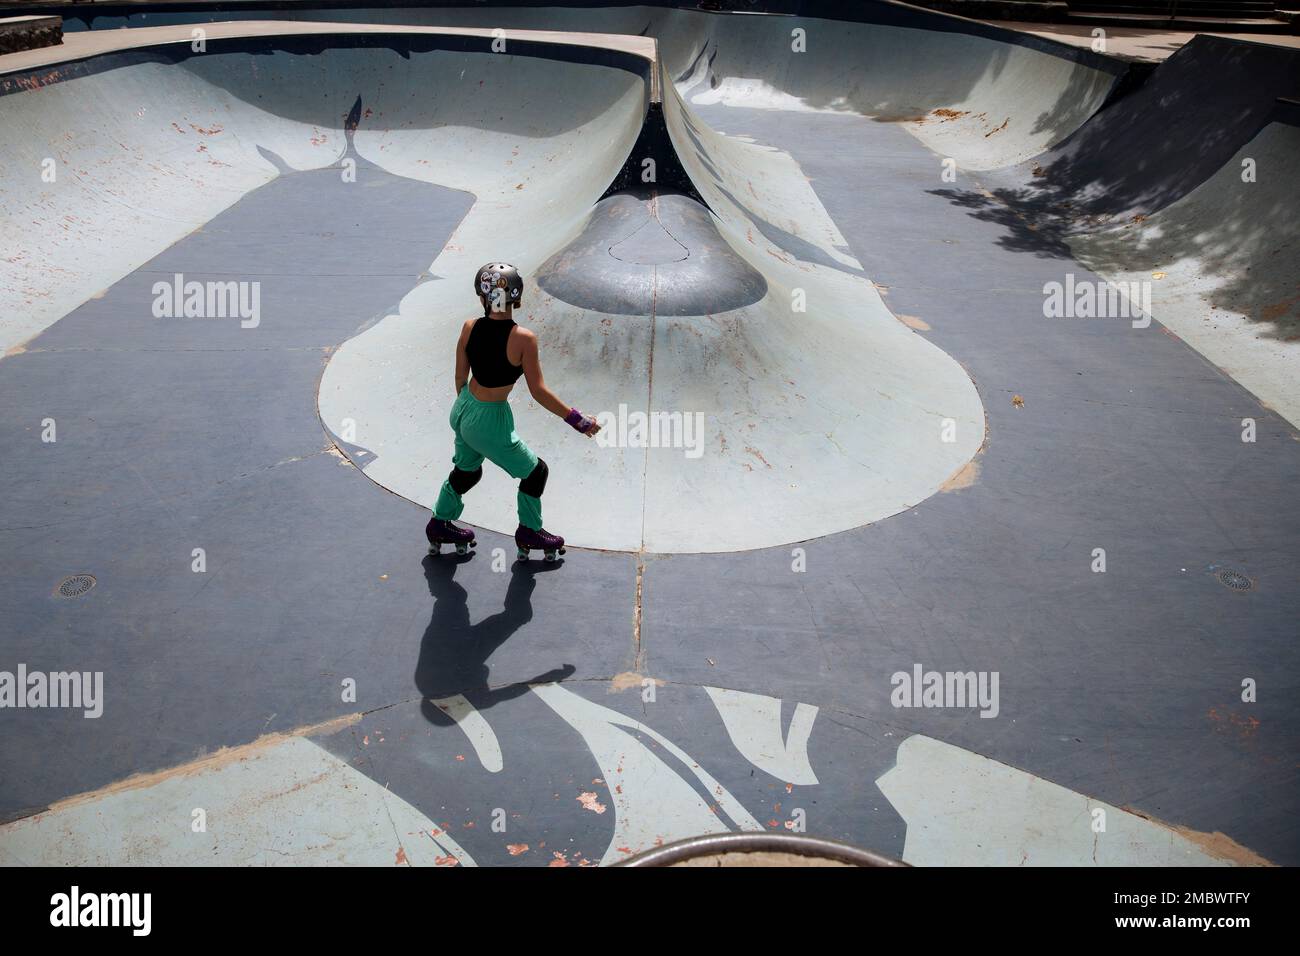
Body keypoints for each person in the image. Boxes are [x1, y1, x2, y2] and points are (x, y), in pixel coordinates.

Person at [426, 262, 600, 560]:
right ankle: (529, 531)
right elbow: (538, 391)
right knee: (535, 473)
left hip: (463, 407)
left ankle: (439, 522)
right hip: (489, 419)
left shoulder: (469, 327)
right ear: (516, 299)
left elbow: (459, 378)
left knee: (467, 472)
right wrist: (578, 420)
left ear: (482, 297)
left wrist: (467, 414)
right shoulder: (523, 339)